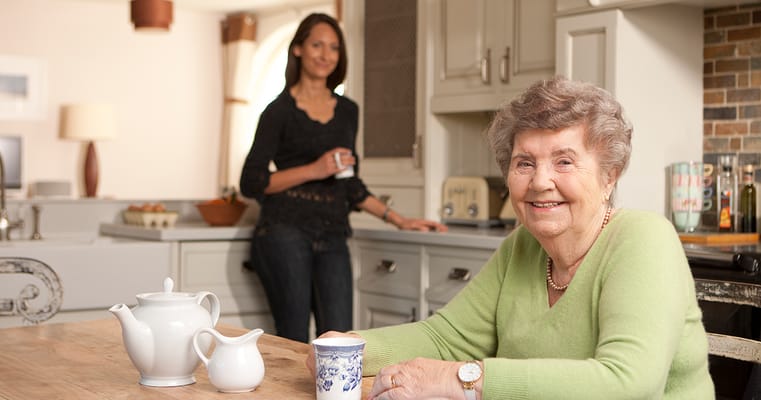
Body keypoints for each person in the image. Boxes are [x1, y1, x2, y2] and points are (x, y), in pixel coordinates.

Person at [306, 76, 715, 399]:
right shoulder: (523, 246)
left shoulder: (644, 239)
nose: (540, 181)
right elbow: (445, 338)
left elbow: (627, 383)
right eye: (524, 162)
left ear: (610, 176)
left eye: (564, 161)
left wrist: (462, 380)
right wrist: (349, 347)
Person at [239, 13, 447, 344]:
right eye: (317, 45)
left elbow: (350, 184)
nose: (325, 55)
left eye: (334, 47)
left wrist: (399, 219)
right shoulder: (277, 112)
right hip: (283, 233)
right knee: (293, 340)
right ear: (298, 50)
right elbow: (251, 182)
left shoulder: (348, 111)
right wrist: (315, 169)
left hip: (333, 234)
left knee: (340, 340)